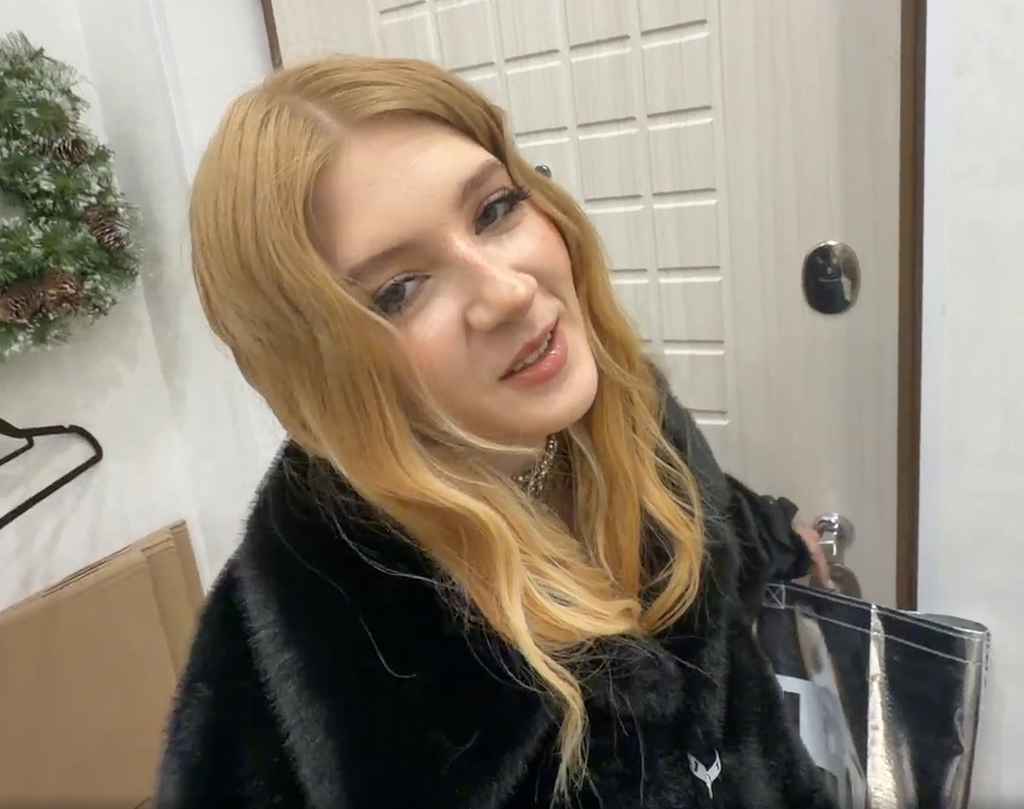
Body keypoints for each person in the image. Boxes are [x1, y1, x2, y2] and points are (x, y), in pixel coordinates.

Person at [155, 55, 836, 809]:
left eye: (494, 210)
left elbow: (711, 555)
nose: (509, 291)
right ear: (316, 369)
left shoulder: (627, 413)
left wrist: (778, 537)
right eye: (400, 291)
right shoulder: (305, 646)